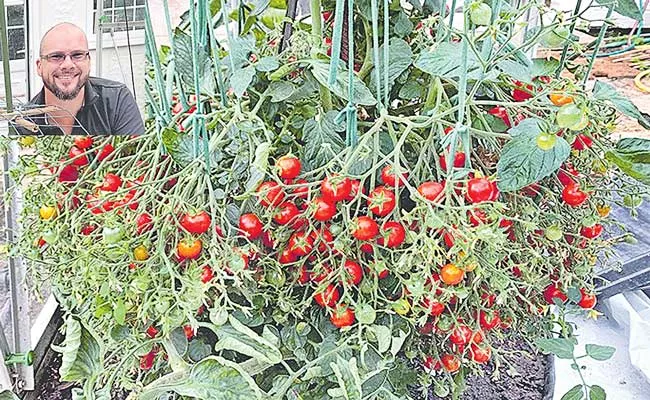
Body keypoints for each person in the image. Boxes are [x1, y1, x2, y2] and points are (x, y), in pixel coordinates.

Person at [13, 22, 144, 135]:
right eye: (56, 56)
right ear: (39, 66)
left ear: (88, 61)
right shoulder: (23, 123)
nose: (68, 65)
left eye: (77, 55)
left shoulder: (117, 100)